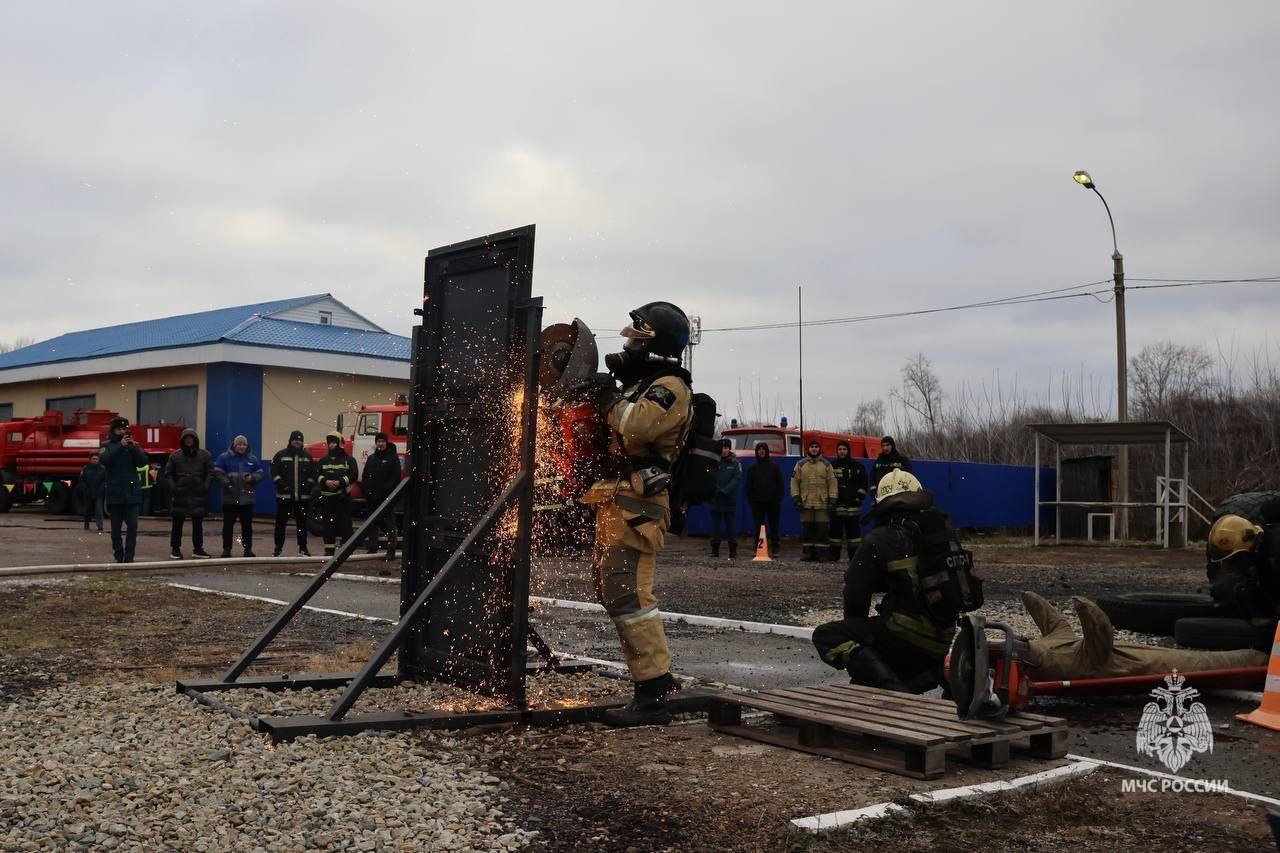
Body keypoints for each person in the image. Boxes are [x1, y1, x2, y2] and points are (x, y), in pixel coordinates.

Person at [578, 301, 692, 726]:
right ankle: (653, 681)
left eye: (638, 340)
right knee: (612, 589)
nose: (630, 346)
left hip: (641, 507)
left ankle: (653, 690)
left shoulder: (670, 388)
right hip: (617, 499)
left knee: (629, 593)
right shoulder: (641, 386)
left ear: (657, 343)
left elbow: (634, 427)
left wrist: (609, 395)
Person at [812, 471, 958, 693]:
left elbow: (855, 594)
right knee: (864, 683)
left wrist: (861, 637)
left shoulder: (880, 538)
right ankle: (929, 675)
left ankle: (894, 688)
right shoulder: (942, 532)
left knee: (826, 636)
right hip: (943, 640)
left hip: (905, 639)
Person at [1204, 492, 1280, 650]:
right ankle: (1266, 648)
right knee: (1244, 592)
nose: (1229, 568)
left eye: (1232, 561)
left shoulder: (1275, 554)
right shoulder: (1258, 554)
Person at [99, 417, 148, 563]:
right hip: (115, 494)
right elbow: (105, 460)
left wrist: (132, 447)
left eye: (124, 429)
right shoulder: (106, 446)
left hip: (131, 494)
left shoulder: (132, 445)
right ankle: (118, 555)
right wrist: (120, 446)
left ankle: (129, 557)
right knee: (115, 530)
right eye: (119, 429)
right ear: (113, 430)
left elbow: (143, 462)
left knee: (132, 528)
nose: (122, 431)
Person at [165, 429, 214, 559]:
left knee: (197, 523)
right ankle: (175, 549)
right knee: (177, 523)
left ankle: (198, 549)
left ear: (195, 440)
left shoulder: (205, 455)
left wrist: (205, 486)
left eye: (191, 438)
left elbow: (210, 472)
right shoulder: (175, 456)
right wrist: (174, 487)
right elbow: (168, 473)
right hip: (180, 493)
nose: (189, 440)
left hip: (198, 493)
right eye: (186, 438)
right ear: (182, 440)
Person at [214, 435, 264, 558]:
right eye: (239, 444)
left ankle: (248, 549)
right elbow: (217, 472)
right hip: (229, 498)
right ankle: (226, 549)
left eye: (244, 444)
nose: (241, 447)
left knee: (247, 526)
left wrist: (252, 478)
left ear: (247, 446)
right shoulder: (224, 457)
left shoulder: (252, 459)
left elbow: (260, 473)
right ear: (234, 445)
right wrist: (227, 484)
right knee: (228, 526)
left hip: (247, 499)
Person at [271, 430, 316, 557]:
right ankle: (278, 548)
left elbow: (313, 475)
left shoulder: (307, 457)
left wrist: (307, 486)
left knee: (302, 524)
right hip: (284, 497)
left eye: (300, 440)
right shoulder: (280, 455)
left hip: (302, 498)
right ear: (290, 441)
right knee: (281, 524)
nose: (297, 442)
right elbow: (274, 473)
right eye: (295, 439)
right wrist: (282, 486)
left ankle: (303, 548)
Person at [791, 439, 836, 561]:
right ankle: (807, 553)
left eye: (816, 446)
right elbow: (794, 482)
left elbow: (832, 483)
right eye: (812, 446)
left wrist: (832, 500)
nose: (814, 449)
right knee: (807, 529)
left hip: (822, 503)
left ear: (819, 449)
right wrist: (796, 499)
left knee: (822, 529)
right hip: (805, 503)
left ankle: (822, 554)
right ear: (808, 449)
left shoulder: (826, 465)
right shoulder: (800, 464)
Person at [316, 431, 359, 557]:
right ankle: (329, 551)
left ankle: (346, 551)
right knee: (328, 526)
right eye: (329, 443)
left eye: (334, 442)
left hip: (342, 499)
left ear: (340, 444)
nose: (331, 445)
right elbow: (317, 475)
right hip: (327, 499)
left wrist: (340, 482)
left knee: (345, 525)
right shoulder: (323, 460)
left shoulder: (349, 460)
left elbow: (354, 475)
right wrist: (326, 481)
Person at [360, 431, 402, 557]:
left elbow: (395, 478)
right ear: (376, 443)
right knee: (372, 523)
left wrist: (384, 493)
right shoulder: (372, 458)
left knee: (389, 524)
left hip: (386, 498)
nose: (380, 444)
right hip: (372, 498)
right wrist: (367, 492)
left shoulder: (392, 458)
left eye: (382, 441)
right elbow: (366, 476)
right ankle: (373, 547)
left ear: (386, 442)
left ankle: (391, 549)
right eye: (378, 441)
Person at [828, 440, 869, 561]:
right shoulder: (832, 466)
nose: (842, 452)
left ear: (848, 450)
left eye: (844, 449)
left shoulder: (857, 466)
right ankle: (834, 556)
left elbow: (864, 483)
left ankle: (855, 557)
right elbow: (828, 484)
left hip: (853, 506)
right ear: (837, 451)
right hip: (837, 506)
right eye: (840, 449)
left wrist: (859, 498)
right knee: (835, 533)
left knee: (854, 535)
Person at [745, 441, 784, 555]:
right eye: (759, 450)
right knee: (758, 527)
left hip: (773, 503)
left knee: (774, 526)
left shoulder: (774, 467)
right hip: (757, 504)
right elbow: (748, 487)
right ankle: (759, 548)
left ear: (767, 451)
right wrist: (752, 501)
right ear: (756, 452)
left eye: (763, 449)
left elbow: (780, 485)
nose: (761, 451)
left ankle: (775, 548)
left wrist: (777, 499)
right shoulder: (752, 469)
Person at [709, 438, 742, 559]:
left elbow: (736, 479)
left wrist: (725, 491)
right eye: (723, 448)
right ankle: (714, 550)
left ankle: (733, 551)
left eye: (727, 448)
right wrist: (715, 491)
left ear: (729, 449)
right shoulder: (714, 462)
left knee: (730, 526)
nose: (724, 450)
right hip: (715, 499)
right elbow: (710, 477)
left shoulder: (735, 463)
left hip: (729, 499)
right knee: (715, 527)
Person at [79, 451, 106, 532]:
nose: (95, 460)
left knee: (99, 511)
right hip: (88, 492)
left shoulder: (102, 469)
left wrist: (101, 490)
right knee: (87, 510)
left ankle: (100, 526)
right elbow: (81, 480)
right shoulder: (85, 469)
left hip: (98, 493)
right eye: (93, 459)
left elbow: (104, 480)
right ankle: (86, 524)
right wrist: (85, 489)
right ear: (90, 459)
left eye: (96, 459)